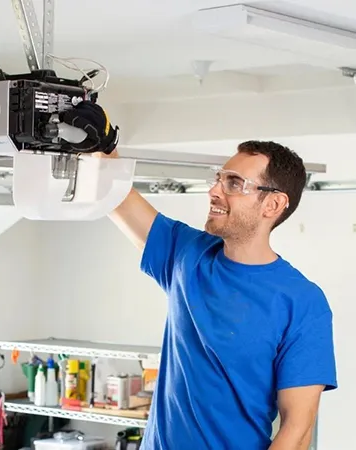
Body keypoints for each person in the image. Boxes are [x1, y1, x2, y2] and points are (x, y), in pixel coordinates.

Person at [60, 102, 338, 450]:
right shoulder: (188, 254)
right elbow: (117, 198)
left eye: (234, 183)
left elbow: (296, 430)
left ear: (272, 205)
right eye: (219, 178)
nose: (214, 191)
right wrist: (101, 146)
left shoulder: (302, 302)